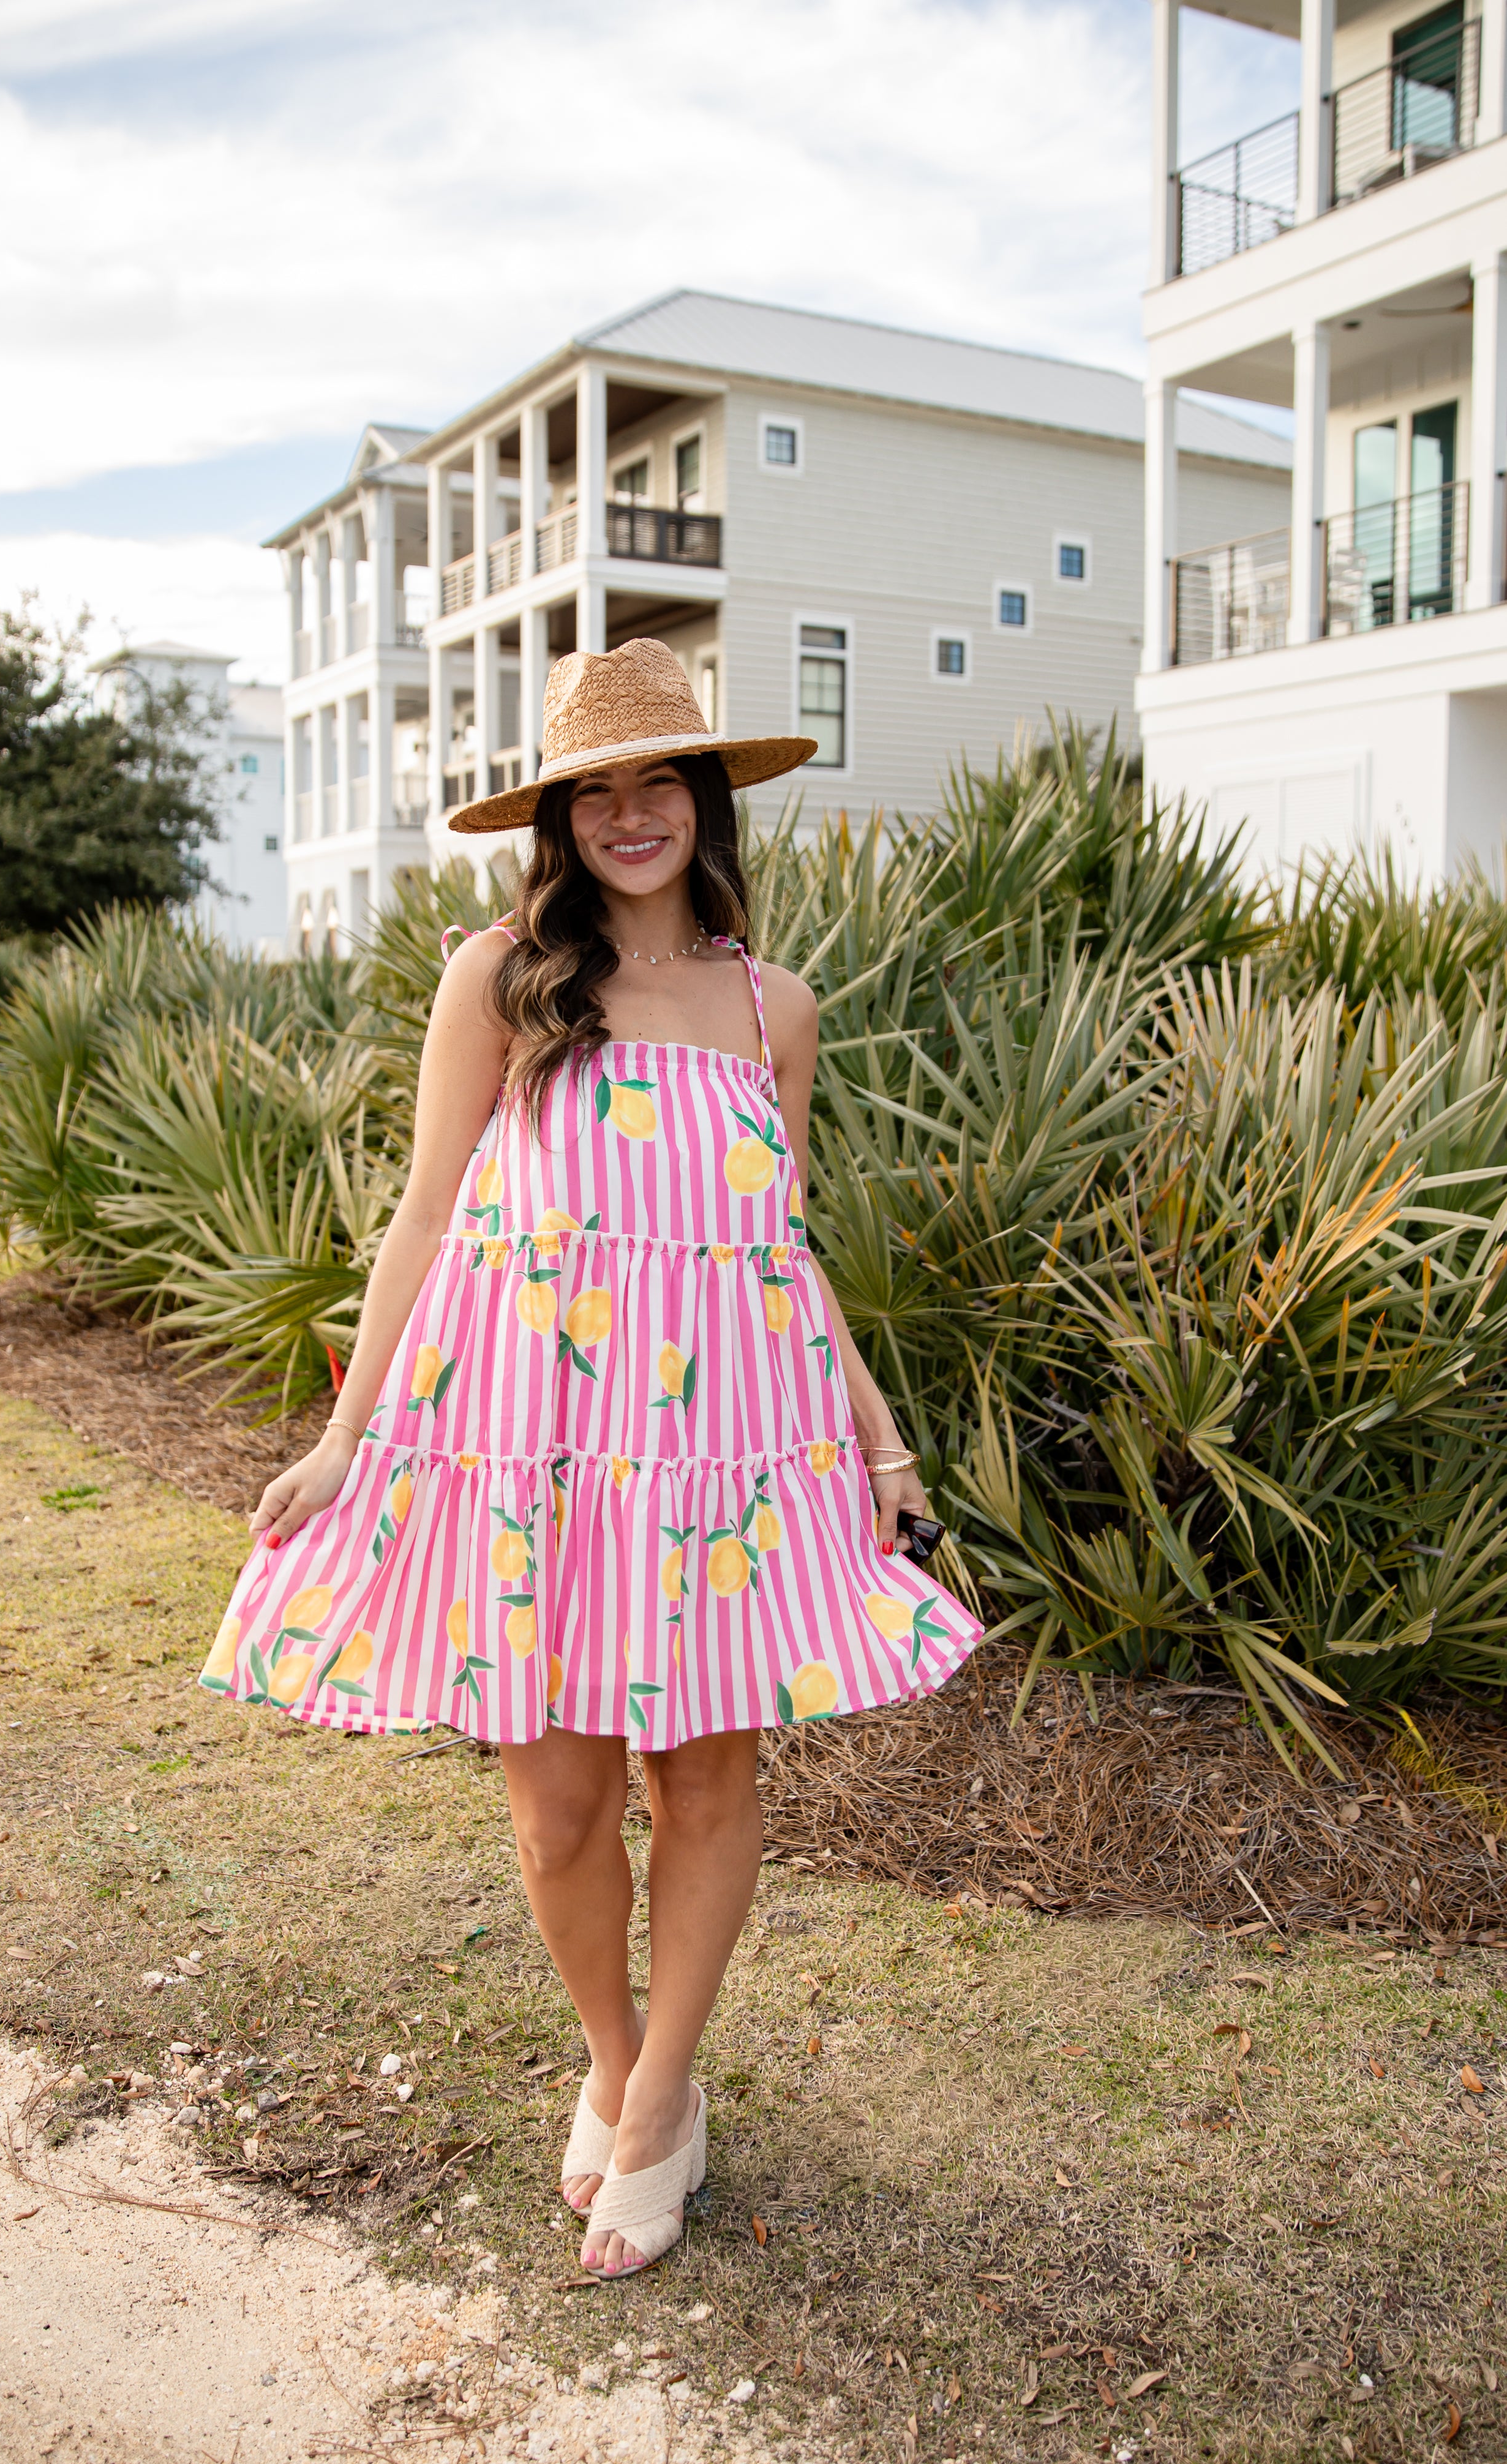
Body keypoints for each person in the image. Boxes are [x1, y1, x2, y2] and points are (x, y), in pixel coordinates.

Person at [198, 638, 982, 2277]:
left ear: (705, 799)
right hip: (527, 1447)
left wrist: (880, 1442)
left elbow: (776, 1242)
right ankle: (618, 2060)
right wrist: (349, 1437)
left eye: (661, 780)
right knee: (557, 1810)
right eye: (596, 789)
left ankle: (659, 2097)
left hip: (719, 1449)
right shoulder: (500, 974)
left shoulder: (774, 1003)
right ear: (557, 821)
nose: (633, 813)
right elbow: (426, 1210)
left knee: (704, 1777)